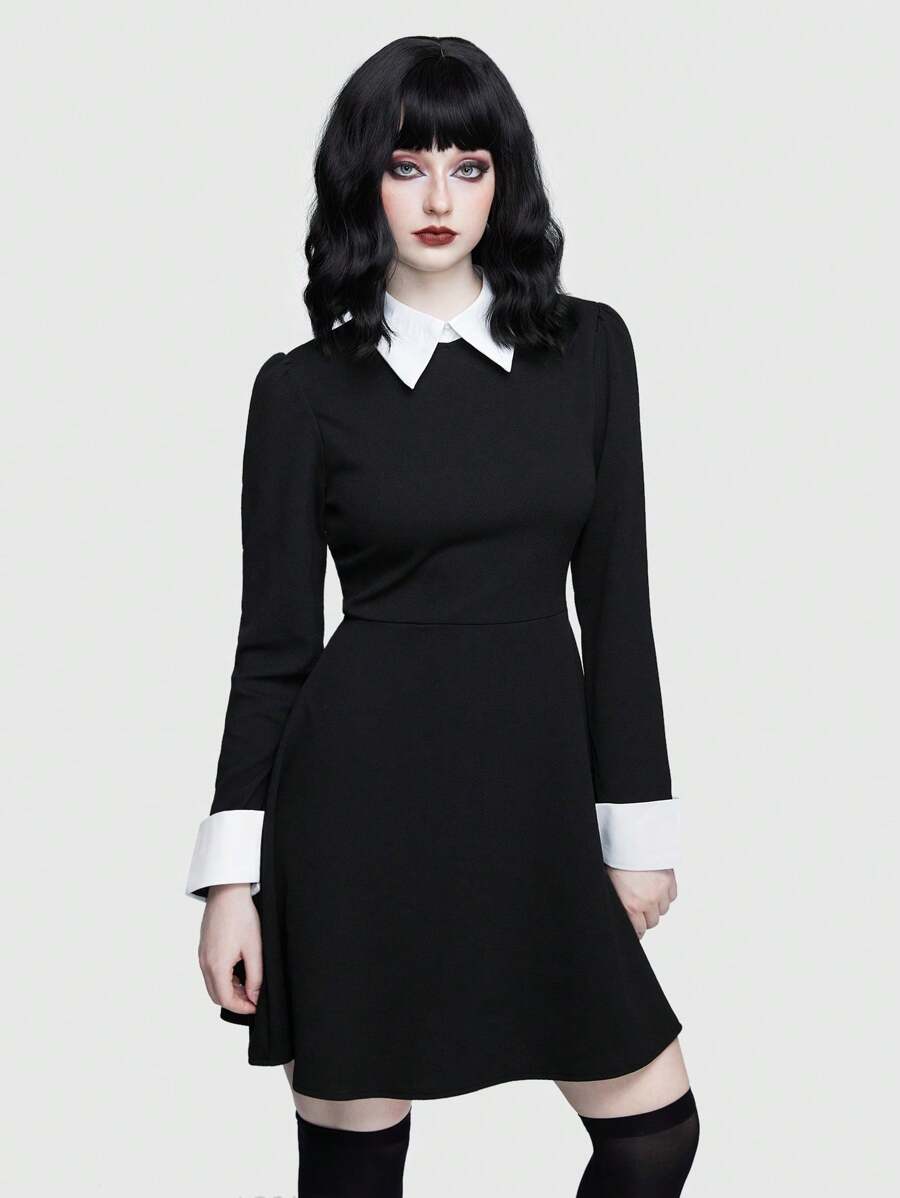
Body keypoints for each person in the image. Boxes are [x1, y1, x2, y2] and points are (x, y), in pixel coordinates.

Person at [184, 34, 700, 1197]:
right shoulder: (302, 390)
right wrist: (229, 881)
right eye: (407, 166)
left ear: (502, 182)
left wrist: (637, 832)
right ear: (363, 181)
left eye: (467, 166)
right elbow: (272, 649)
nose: (437, 198)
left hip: (535, 800)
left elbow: (619, 606)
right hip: (356, 811)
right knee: (357, 1168)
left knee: (653, 1131)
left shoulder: (590, 350)